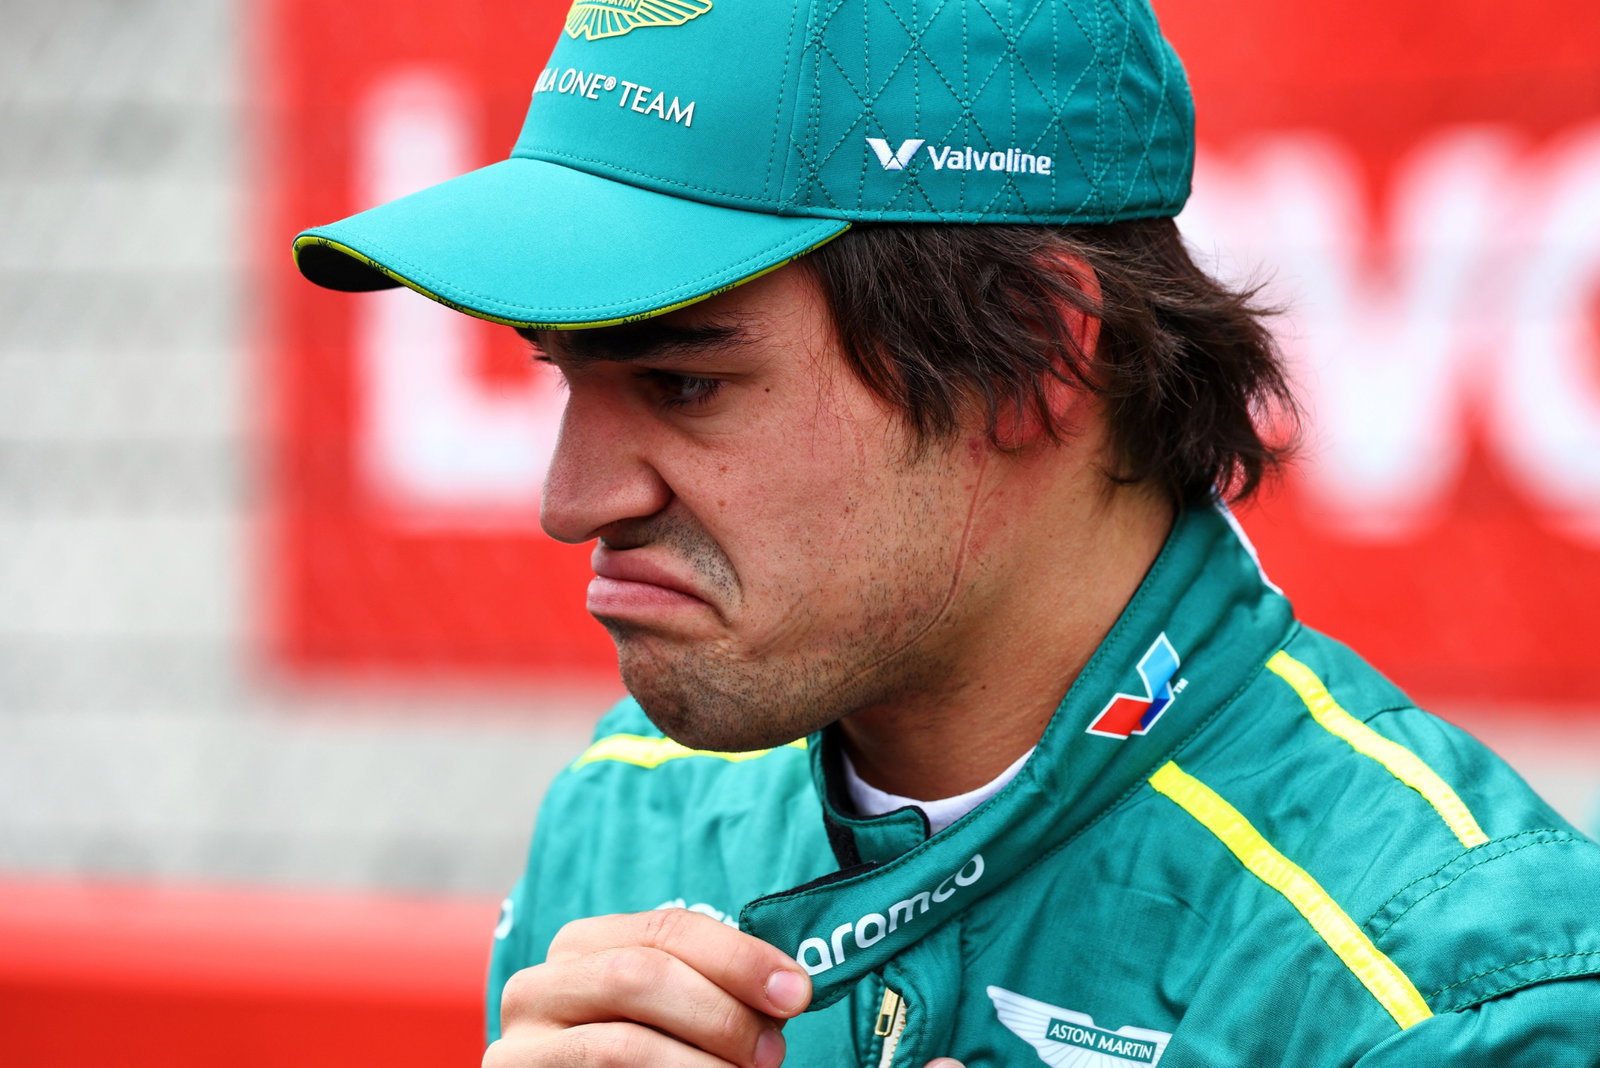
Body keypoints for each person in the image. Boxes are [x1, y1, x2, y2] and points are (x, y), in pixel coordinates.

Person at [294, 1, 1600, 1064]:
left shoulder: (1453, 985)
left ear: (1036, 353)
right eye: (559, 378)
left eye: (683, 382)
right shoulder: (628, 811)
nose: (569, 500)